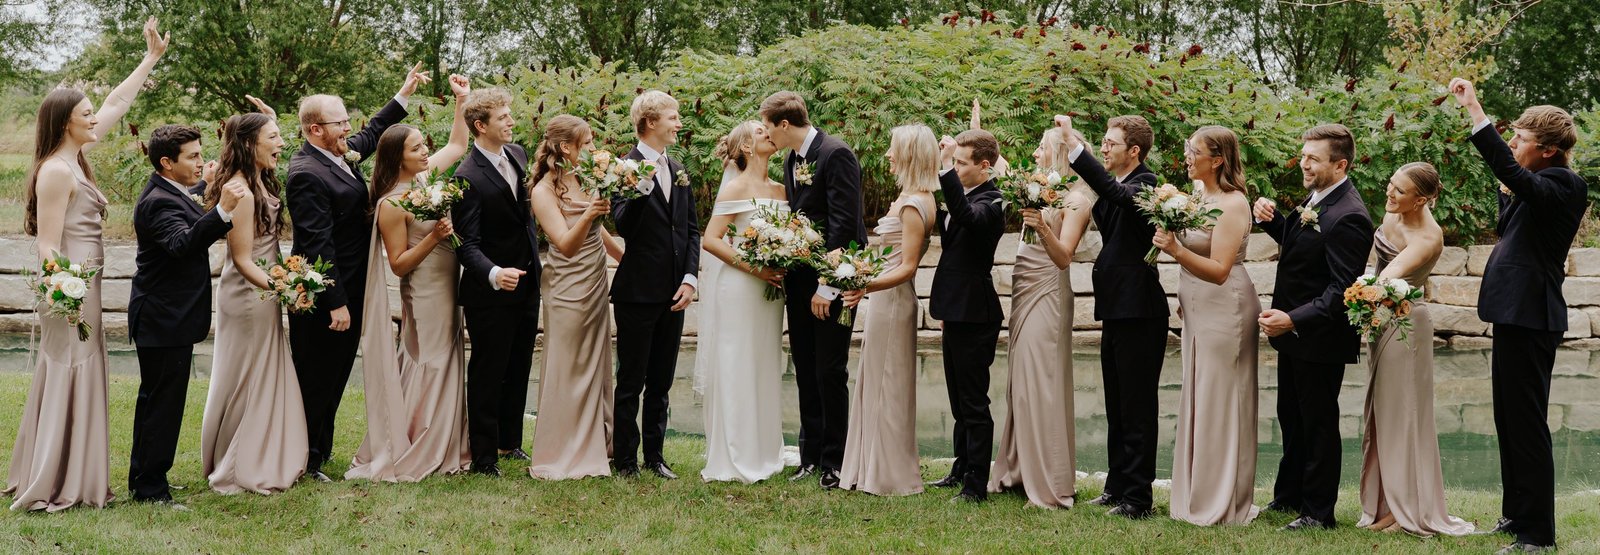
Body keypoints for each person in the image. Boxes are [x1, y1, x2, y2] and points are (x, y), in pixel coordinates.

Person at [6, 17, 167, 512]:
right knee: (70, 368)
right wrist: (64, 291)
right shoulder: (56, 171)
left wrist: (150, 58)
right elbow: (47, 244)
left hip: (85, 285)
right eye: (86, 114)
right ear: (65, 123)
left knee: (84, 367)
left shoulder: (79, 155)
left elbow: (117, 102)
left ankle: (73, 472)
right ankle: (57, 479)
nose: (96, 118)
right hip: (70, 288)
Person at [1450, 77, 1585, 554]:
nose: (1513, 143)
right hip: (1513, 313)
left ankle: (1537, 535)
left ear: (1547, 150)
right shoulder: (1537, 186)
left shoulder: (1565, 183)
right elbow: (1512, 218)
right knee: (1509, 420)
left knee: (1527, 424)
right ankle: (1515, 516)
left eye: (1521, 139)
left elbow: (1513, 173)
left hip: (1533, 317)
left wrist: (1475, 111)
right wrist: (1510, 187)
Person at [286, 62, 428, 481]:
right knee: (317, 377)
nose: (349, 128)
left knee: (334, 374)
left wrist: (402, 94)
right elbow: (316, 245)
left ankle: (318, 452)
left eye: (348, 120)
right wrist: (337, 303)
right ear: (315, 129)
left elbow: (370, 135)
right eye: (340, 122)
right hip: (327, 298)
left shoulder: (336, 154)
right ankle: (307, 459)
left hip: (352, 288)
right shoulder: (306, 174)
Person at [344, 74, 474, 482]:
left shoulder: (423, 180)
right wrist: (435, 236)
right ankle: (422, 441)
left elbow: (457, 145)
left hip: (448, 283)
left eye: (423, 145)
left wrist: (461, 101)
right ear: (399, 157)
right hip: (423, 291)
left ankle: (452, 441)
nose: (426, 151)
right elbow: (398, 264)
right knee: (430, 360)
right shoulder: (390, 204)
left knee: (449, 356)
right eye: (418, 147)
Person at [1252, 123, 1374, 530]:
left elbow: (1343, 290)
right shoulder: (1320, 197)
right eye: (1303, 156)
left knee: (1319, 423)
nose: (1304, 164)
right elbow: (1302, 247)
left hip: (1320, 336)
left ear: (1340, 165)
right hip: (1295, 333)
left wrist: (1292, 318)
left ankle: (1319, 513)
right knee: (1291, 415)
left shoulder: (1350, 215)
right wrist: (1272, 223)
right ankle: (1289, 497)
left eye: (1313, 159)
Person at [1053, 114, 1167, 519]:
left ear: (1133, 151)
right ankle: (1117, 486)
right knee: (1117, 403)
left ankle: (1138, 498)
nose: (1105, 148)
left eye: (1110, 143)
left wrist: (1074, 146)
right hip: (1117, 309)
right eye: (1100, 142)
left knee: (1136, 406)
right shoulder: (1121, 186)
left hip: (1140, 310)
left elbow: (1113, 195)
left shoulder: (1146, 185)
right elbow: (1109, 194)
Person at [128, 123, 247, 506]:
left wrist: (204, 186)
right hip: (163, 319)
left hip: (169, 317)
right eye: (193, 157)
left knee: (158, 402)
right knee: (162, 405)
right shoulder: (155, 202)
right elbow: (181, 243)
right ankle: (150, 490)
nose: (201, 161)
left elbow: (188, 201)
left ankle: (146, 478)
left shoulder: (172, 189)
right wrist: (224, 210)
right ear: (167, 162)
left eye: (201, 154)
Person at [1353, 162, 1474, 537]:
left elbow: (1385, 279)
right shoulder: (1394, 213)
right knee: (1382, 413)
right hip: (1380, 320)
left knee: (1404, 416)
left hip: (1406, 326)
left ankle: (1407, 509)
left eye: (1399, 190)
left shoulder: (1427, 239)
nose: (1389, 193)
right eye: (1391, 184)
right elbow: (1373, 270)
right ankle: (1386, 504)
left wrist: (1357, 294)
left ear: (1421, 199)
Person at [1151, 126, 1260, 525]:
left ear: (1217, 160)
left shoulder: (1233, 204)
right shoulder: (1196, 195)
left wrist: (1176, 249)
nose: (1187, 156)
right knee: (1199, 395)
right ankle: (1197, 490)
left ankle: (1222, 498)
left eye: (1194, 151)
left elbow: (1218, 270)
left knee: (1220, 399)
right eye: (1187, 148)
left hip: (1226, 305)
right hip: (1196, 309)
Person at [200, 111, 310, 494]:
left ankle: (265, 449)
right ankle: (239, 462)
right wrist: (284, 290)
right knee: (248, 375)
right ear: (250, 144)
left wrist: (285, 281)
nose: (281, 144)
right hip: (249, 293)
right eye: (274, 137)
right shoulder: (241, 192)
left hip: (265, 287)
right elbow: (243, 259)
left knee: (262, 371)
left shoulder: (258, 180)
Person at [761, 91, 866, 489]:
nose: (767, 133)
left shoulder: (836, 154)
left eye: (768, 125)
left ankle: (835, 462)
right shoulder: (791, 158)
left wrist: (829, 285)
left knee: (830, 370)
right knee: (805, 367)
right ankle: (809, 456)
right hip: (799, 280)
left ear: (783, 124)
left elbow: (844, 224)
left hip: (833, 281)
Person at [986, 126, 1094, 508]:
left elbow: (1064, 257)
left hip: (1048, 293)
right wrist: (978, 130)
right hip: (1024, 290)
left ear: (1059, 153)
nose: (1034, 154)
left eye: (1041, 147)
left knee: (1041, 383)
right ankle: (1018, 468)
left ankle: (1049, 481)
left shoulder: (1078, 200)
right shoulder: (1037, 186)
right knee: (1020, 383)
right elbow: (995, 164)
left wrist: (1042, 224)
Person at [837, 123, 939, 496]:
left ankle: (888, 473)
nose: (888, 156)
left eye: (894, 149)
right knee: (878, 380)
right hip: (886, 298)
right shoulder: (914, 196)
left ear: (910, 155)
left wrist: (862, 284)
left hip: (894, 301)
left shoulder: (914, 204)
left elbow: (907, 266)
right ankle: (870, 466)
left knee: (888, 384)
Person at [527, 115, 625, 480]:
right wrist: (591, 213)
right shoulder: (543, 191)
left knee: (596, 361)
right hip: (567, 285)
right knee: (567, 364)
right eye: (587, 144)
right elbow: (565, 245)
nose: (594, 150)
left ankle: (598, 442)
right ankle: (561, 448)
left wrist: (624, 260)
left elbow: (599, 233)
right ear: (566, 148)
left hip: (596, 280)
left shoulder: (589, 178)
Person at [610, 90, 700, 480]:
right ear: (649, 123)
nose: (679, 123)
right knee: (632, 380)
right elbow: (623, 224)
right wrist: (643, 184)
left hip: (675, 292)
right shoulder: (622, 168)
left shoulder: (678, 168)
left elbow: (691, 230)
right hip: (637, 291)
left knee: (662, 380)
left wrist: (691, 278)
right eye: (673, 117)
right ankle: (626, 460)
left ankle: (656, 457)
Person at [452, 88, 540, 477]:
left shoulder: (518, 155)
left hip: (527, 280)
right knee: (489, 369)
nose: (511, 122)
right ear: (480, 126)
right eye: (503, 117)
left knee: (520, 362)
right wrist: (493, 273)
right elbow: (465, 245)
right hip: (490, 290)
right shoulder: (466, 177)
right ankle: (484, 457)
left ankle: (510, 441)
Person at [694, 120, 789, 483]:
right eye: (762, 133)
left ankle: (765, 450)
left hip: (770, 292)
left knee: (765, 362)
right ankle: (735, 454)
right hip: (741, 286)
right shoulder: (734, 188)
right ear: (747, 147)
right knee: (737, 363)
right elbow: (712, 240)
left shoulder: (781, 190)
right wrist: (756, 269)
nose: (770, 135)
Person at [929, 129, 1006, 503]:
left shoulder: (993, 202)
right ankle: (960, 467)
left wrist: (945, 169)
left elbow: (965, 216)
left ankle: (976, 484)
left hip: (977, 312)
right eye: (954, 161)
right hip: (955, 309)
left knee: (974, 402)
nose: (956, 168)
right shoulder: (966, 194)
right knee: (958, 400)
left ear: (984, 166)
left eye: (961, 163)